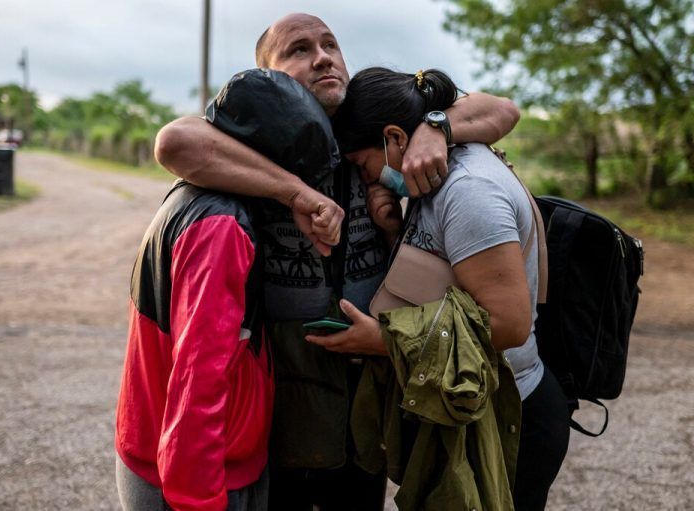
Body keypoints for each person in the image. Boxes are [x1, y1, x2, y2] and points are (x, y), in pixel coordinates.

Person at [154, 13, 521, 510]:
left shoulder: (368, 121)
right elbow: (175, 143)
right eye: (299, 50)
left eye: (330, 44)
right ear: (268, 76)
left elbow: (503, 109)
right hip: (281, 391)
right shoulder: (248, 135)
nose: (323, 56)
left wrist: (438, 127)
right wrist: (299, 194)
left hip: (367, 384)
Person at [319, 66, 571, 510]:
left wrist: (385, 341)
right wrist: (394, 232)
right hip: (473, 402)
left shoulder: (467, 191)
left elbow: (507, 324)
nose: (368, 179)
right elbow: (449, 280)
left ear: (395, 138)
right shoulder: (432, 176)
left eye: (364, 165)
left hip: (511, 418)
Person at [114, 68, 341, 510]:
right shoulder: (221, 228)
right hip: (197, 476)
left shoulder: (193, 192)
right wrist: (198, 500)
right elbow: (198, 380)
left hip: (177, 452)